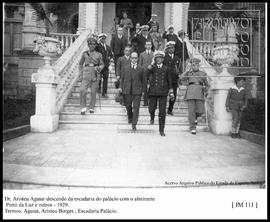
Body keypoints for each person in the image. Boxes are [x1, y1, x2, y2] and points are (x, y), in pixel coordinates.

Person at [147, 51, 173, 136]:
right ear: (155, 59)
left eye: (160, 58)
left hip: (163, 92)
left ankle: (161, 130)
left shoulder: (166, 68)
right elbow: (146, 74)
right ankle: (152, 117)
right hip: (153, 91)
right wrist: (150, 66)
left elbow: (169, 80)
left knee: (162, 112)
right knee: (151, 109)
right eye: (157, 58)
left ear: (163, 59)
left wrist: (171, 91)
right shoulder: (152, 67)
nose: (158, 60)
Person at [180, 58, 209, 135]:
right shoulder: (189, 73)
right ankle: (192, 127)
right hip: (190, 92)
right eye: (193, 65)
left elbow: (207, 84)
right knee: (191, 111)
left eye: (196, 64)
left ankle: (195, 117)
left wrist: (206, 90)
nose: (194, 66)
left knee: (200, 111)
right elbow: (181, 78)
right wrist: (187, 71)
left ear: (198, 65)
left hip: (199, 92)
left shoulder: (203, 73)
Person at [79, 37, 104, 115]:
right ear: (88, 45)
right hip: (86, 73)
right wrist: (80, 73)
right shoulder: (84, 54)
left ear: (95, 45)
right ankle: (83, 107)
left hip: (95, 73)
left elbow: (102, 64)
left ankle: (91, 107)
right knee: (82, 90)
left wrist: (99, 67)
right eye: (90, 44)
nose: (92, 46)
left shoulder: (99, 54)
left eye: (93, 44)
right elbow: (80, 64)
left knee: (93, 92)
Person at [119, 52, 144, 131]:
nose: (134, 59)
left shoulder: (141, 68)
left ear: (137, 59)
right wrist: (120, 87)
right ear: (130, 59)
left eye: (135, 58)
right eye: (132, 58)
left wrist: (143, 90)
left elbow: (143, 80)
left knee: (136, 108)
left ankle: (134, 123)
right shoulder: (125, 68)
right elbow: (122, 79)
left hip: (137, 91)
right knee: (128, 106)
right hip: (127, 90)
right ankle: (130, 117)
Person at [163, 41, 181, 115]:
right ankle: (162, 110)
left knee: (173, 96)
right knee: (164, 95)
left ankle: (170, 110)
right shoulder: (164, 57)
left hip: (174, 80)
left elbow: (179, 68)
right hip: (165, 79)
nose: (171, 49)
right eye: (169, 48)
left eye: (172, 48)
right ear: (167, 49)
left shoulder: (177, 58)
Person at [96, 33, 113, 98]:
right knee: (99, 79)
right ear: (100, 40)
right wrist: (97, 41)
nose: (104, 40)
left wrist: (110, 63)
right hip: (100, 65)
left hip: (106, 66)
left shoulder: (108, 47)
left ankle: (104, 93)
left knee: (106, 79)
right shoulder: (98, 46)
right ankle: (99, 89)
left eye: (104, 38)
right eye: (102, 39)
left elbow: (111, 55)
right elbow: (95, 47)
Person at [138, 41, 154, 106]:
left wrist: (152, 67)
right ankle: (145, 102)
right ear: (145, 46)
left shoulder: (154, 54)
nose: (148, 46)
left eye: (149, 44)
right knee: (144, 87)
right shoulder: (142, 54)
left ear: (151, 45)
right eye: (147, 44)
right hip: (144, 72)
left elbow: (155, 63)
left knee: (151, 86)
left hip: (151, 72)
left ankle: (151, 101)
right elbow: (140, 64)